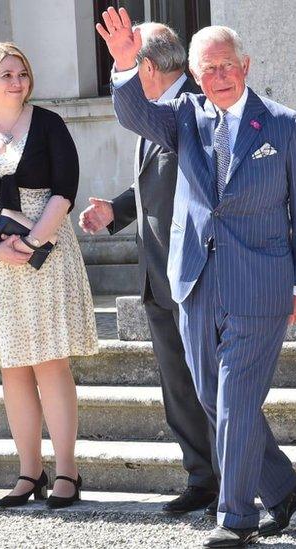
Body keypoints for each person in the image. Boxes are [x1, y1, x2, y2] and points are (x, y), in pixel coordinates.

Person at [97, 8, 296, 547]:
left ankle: (236, 517)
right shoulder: (184, 118)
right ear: (196, 76)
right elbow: (134, 113)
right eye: (209, 69)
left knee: (238, 398)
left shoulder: (284, 125)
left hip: (261, 283)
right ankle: (284, 487)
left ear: (245, 65)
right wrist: (127, 64)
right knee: (211, 394)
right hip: (197, 280)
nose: (220, 75)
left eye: (228, 64)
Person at [0, 42, 99, 510]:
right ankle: (30, 471)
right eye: (6, 74)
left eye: (22, 73)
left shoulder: (48, 123)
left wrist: (33, 243)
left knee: (51, 363)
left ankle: (68, 471)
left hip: (45, 249)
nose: (17, 81)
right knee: (13, 367)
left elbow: (65, 189)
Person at [79, 22, 220, 517]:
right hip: (157, 271)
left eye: (127, 61)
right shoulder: (162, 110)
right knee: (177, 384)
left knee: (208, 384)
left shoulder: (200, 106)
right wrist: (117, 210)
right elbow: (159, 183)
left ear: (146, 67)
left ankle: (233, 481)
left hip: (196, 275)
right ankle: (201, 478)